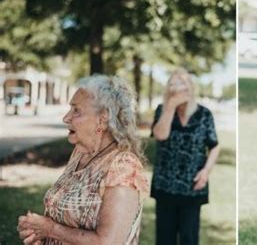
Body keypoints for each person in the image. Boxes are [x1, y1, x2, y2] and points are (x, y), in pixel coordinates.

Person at [17, 75, 150, 244]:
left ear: (102, 119)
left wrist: (50, 229)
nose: (66, 118)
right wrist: (40, 233)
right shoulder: (80, 152)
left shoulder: (123, 167)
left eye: (76, 110)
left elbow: (108, 242)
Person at [151, 68, 220, 245]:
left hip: (192, 186)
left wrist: (206, 171)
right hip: (165, 185)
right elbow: (160, 135)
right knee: (164, 239)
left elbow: (214, 146)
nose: (177, 87)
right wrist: (171, 107)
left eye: (181, 82)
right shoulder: (162, 111)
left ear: (190, 88)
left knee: (189, 238)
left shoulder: (204, 114)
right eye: (172, 83)